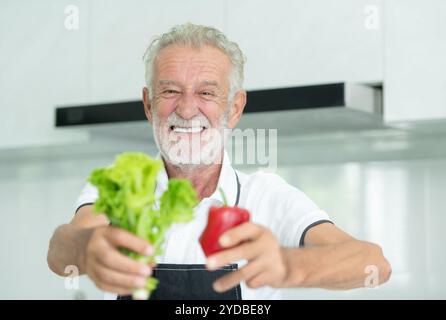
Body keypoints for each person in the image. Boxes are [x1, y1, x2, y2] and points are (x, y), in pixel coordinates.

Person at [47, 23, 391, 300]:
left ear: (235, 107)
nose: (185, 109)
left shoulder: (265, 196)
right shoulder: (122, 183)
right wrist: (86, 248)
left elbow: (373, 263)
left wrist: (287, 265)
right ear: (149, 104)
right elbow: (60, 253)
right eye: (170, 91)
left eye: (206, 93)